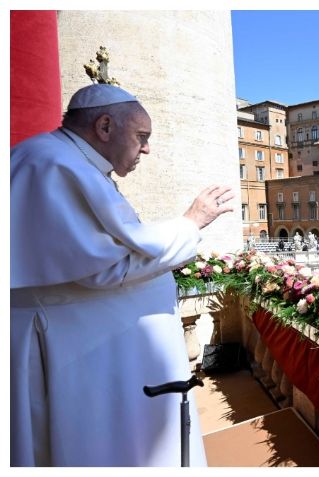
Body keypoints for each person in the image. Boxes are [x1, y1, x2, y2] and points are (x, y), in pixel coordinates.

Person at [10, 84, 234, 466]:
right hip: (68, 349)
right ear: (105, 126)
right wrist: (190, 223)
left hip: (84, 344)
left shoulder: (63, 160)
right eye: (141, 137)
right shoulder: (54, 165)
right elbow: (105, 269)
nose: (146, 149)